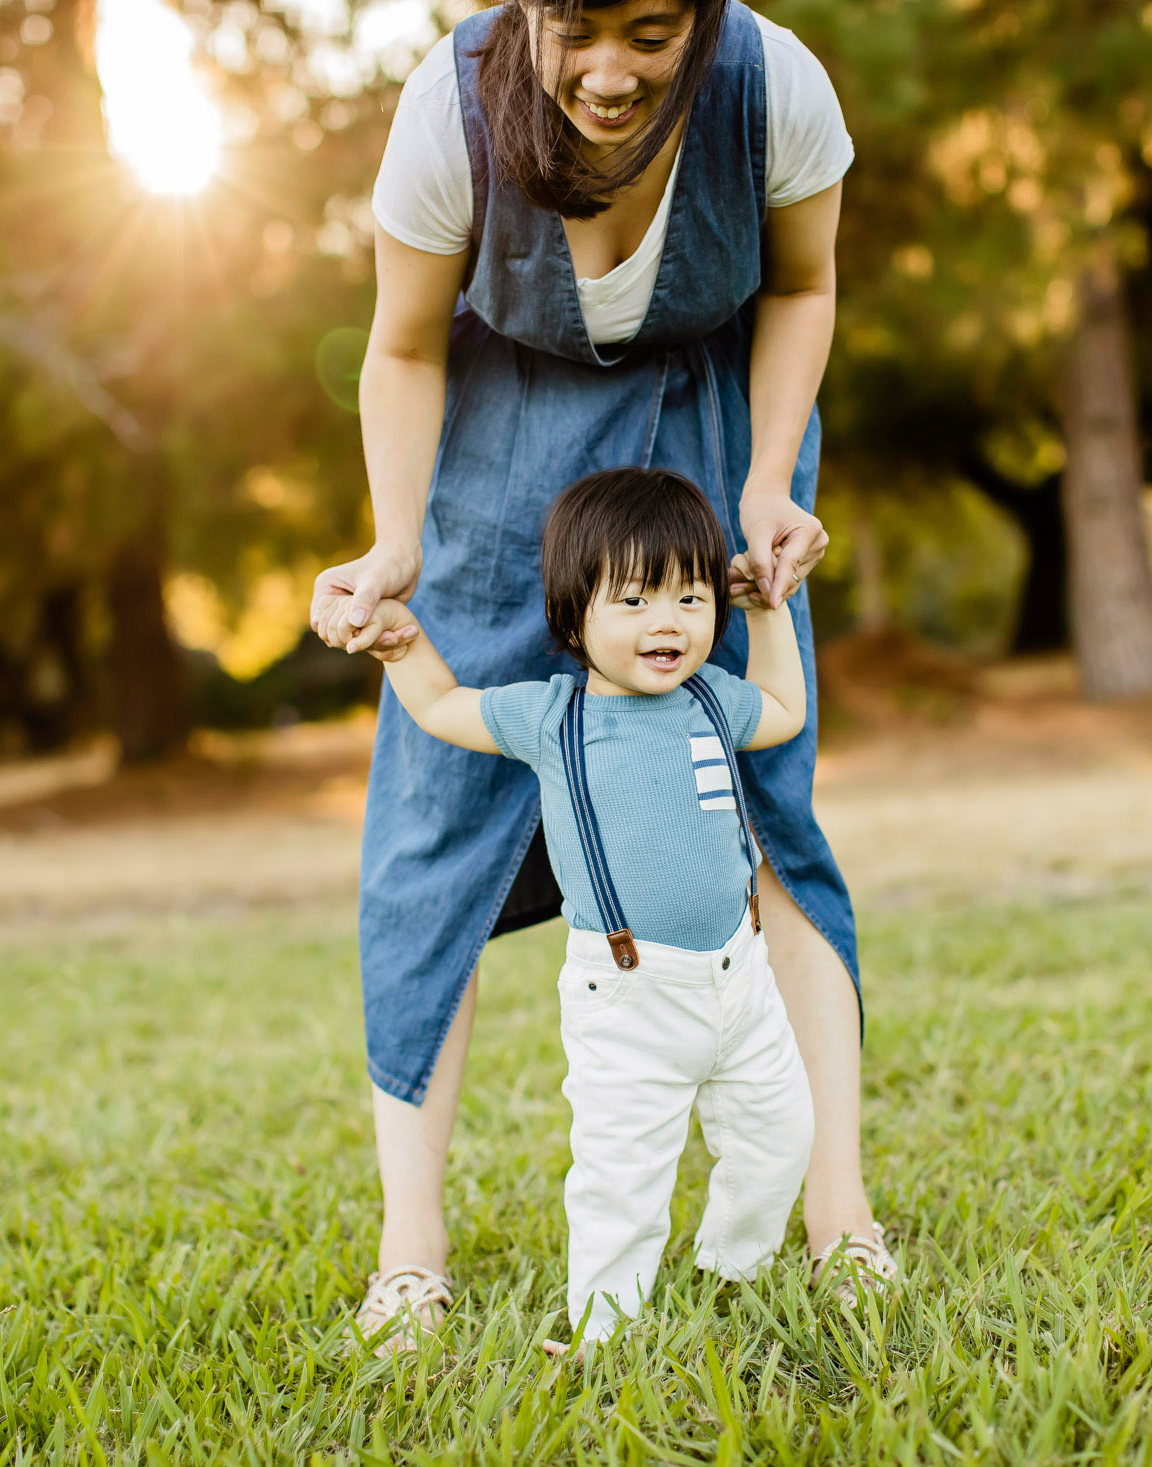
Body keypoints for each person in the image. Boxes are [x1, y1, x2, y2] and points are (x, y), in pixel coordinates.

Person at [309, 0, 896, 1349]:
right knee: (436, 823)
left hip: (709, 433)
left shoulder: (774, 89)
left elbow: (802, 287)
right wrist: (397, 540)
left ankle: (839, 1216)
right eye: (578, 29)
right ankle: (412, 1249)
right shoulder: (445, 112)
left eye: (649, 29)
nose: (611, 73)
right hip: (498, 451)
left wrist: (763, 479)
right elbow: (401, 344)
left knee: (760, 808)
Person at [336, 468, 814, 1348]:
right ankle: (605, 1329)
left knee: (783, 1135)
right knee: (620, 1176)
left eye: (690, 597)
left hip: (740, 983)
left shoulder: (714, 701)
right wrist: (402, 648)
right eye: (632, 599)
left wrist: (768, 612)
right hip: (629, 999)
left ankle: (734, 1265)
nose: (666, 621)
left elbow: (786, 709)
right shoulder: (551, 717)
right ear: (572, 618)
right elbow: (444, 707)